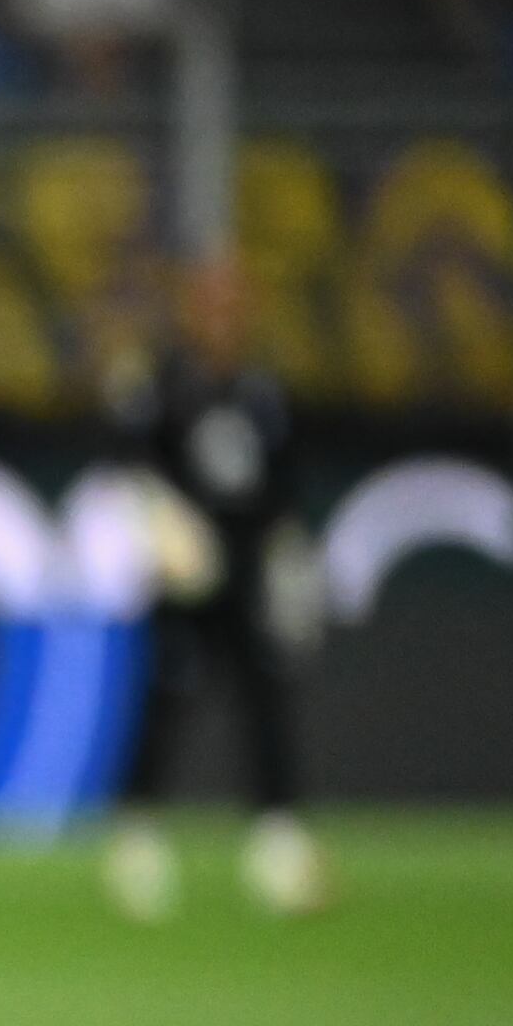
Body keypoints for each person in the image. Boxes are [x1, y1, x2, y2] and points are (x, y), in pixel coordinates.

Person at [100, 256, 327, 920]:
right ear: (192, 312)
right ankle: (135, 834)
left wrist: (287, 554)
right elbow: (131, 461)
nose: (224, 320)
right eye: (213, 304)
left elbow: (285, 485)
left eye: (235, 305)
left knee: (265, 701)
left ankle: (278, 837)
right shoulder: (165, 384)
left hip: (249, 574)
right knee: (165, 706)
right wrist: (162, 523)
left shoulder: (263, 393)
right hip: (186, 578)